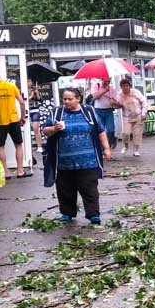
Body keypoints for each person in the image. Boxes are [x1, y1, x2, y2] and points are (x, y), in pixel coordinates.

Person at [42, 87, 111, 226]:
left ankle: (93, 215)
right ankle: (67, 213)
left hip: (88, 160)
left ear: (78, 99)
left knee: (89, 188)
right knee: (65, 189)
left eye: (70, 99)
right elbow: (45, 130)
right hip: (63, 162)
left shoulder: (89, 112)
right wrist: (54, 129)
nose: (66, 101)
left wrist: (107, 148)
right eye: (64, 99)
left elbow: (100, 130)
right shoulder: (57, 113)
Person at [0, 72, 30, 178]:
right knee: (18, 145)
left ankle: (6, 172)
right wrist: (22, 116)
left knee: (0, 147)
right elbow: (22, 102)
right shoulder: (11, 85)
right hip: (13, 119)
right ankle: (20, 171)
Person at [117, 78, 147, 157]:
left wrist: (143, 113)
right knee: (125, 133)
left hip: (138, 116)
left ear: (130, 86)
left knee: (137, 134)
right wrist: (114, 104)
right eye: (123, 86)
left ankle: (136, 150)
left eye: (127, 86)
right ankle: (126, 146)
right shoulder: (120, 95)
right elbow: (117, 105)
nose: (125, 88)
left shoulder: (136, 92)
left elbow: (144, 102)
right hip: (127, 117)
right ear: (121, 87)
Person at [91, 78, 119, 153]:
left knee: (110, 130)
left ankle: (108, 146)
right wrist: (104, 91)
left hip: (108, 110)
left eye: (108, 81)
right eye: (105, 80)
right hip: (98, 111)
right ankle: (102, 149)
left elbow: (116, 101)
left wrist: (113, 102)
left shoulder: (112, 89)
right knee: (100, 130)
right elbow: (94, 97)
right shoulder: (96, 86)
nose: (106, 82)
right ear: (101, 79)